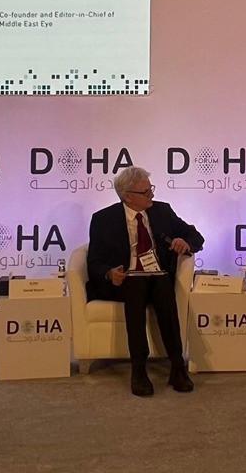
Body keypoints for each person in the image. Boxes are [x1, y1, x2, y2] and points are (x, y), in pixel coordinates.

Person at [85, 166, 204, 397]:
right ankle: (139, 369)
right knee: (136, 284)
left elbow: (196, 236)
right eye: (146, 192)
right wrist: (109, 273)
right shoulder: (103, 219)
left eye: (151, 189)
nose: (152, 195)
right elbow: (94, 261)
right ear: (128, 196)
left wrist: (184, 242)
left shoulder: (162, 211)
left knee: (162, 282)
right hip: (124, 282)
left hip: (157, 279)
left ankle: (177, 366)